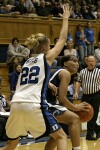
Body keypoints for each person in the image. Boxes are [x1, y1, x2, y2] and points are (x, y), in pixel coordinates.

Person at [0, 4, 71, 150]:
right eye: (49, 46)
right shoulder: (46, 58)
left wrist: (48, 83)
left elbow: (30, 82)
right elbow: (63, 39)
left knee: (11, 144)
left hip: (16, 104)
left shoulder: (26, 62)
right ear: (45, 47)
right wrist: (65, 18)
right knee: (61, 136)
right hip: (33, 104)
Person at [46, 55, 89, 150]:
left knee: (56, 135)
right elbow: (62, 99)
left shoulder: (55, 72)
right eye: (73, 61)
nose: (77, 63)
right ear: (65, 63)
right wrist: (75, 107)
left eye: (77, 61)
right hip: (46, 103)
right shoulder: (65, 73)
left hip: (41, 103)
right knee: (75, 119)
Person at [74, 55, 100, 140]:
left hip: (95, 96)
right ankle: (98, 129)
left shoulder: (99, 72)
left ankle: (89, 135)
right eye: (89, 61)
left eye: (92, 61)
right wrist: (76, 92)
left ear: (95, 62)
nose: (91, 63)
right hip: (85, 96)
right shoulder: (82, 72)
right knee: (86, 115)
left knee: (94, 115)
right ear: (86, 62)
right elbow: (78, 82)